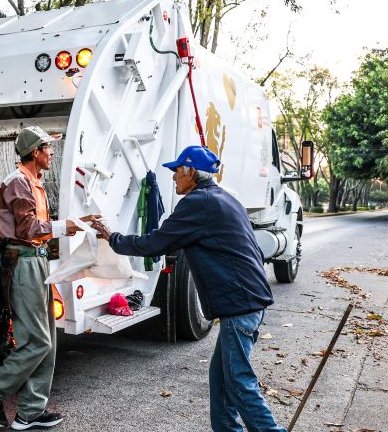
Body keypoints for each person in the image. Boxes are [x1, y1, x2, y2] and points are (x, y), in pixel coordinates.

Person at [90, 145, 285, 432]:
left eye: (176, 172)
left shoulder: (198, 203)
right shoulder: (226, 199)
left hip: (241, 306)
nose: (173, 178)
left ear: (191, 172)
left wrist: (114, 238)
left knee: (239, 381)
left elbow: (156, 242)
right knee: (221, 378)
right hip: (248, 302)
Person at [0, 126, 88, 430]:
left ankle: (31, 412)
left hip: (36, 262)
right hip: (24, 265)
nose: (52, 152)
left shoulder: (33, 181)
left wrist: (69, 227)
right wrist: (65, 226)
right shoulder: (18, 183)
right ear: (35, 152)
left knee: (46, 341)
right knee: (36, 341)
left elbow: (36, 228)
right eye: (48, 147)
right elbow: (27, 230)